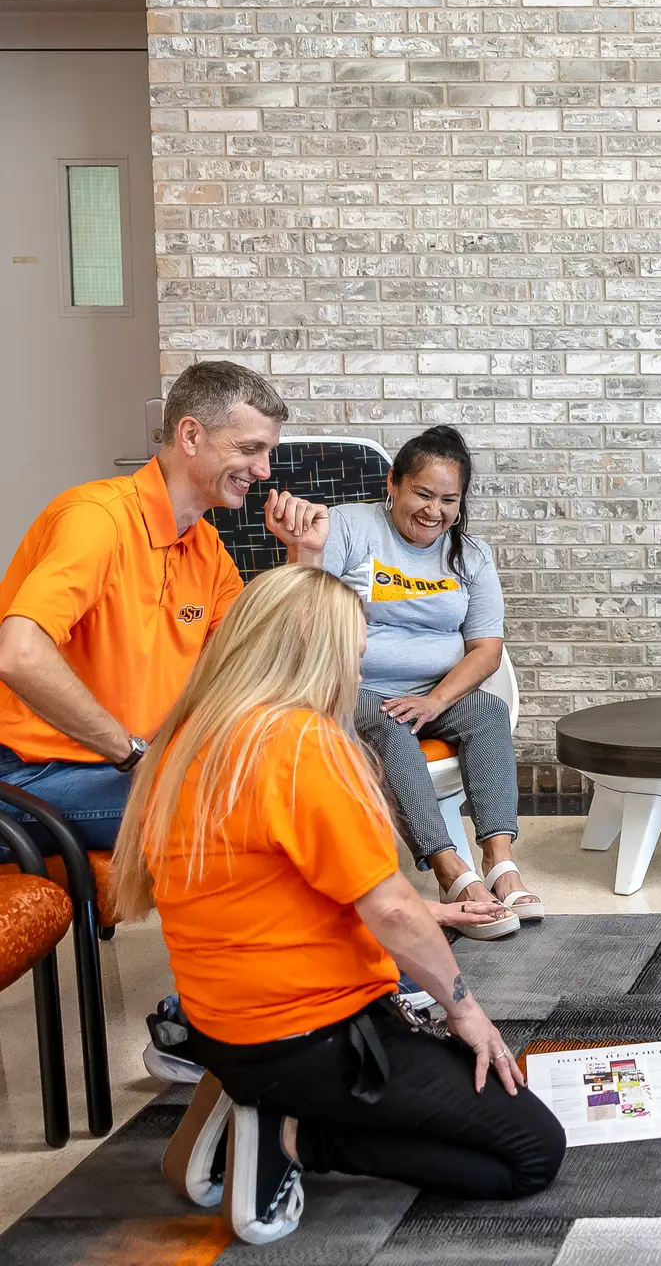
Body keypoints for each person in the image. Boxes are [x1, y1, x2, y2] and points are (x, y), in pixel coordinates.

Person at [110, 564, 565, 1247]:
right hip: (308, 1042)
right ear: (311, 649)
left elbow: (260, 893)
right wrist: (464, 1011)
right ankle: (296, 1138)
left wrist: (431, 916)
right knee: (532, 1150)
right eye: (352, 659)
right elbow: (389, 914)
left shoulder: (187, 739)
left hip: (220, 1032)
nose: (356, 678)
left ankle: (258, 1104)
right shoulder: (302, 744)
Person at [0, 362, 306, 852]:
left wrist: (302, 556)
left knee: (295, 781)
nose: (265, 471)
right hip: (28, 774)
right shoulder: (97, 521)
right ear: (190, 435)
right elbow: (18, 654)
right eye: (250, 449)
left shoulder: (205, 547)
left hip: (112, 766)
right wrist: (133, 756)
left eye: (268, 452)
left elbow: (267, 667)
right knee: (248, 813)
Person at [307, 426, 538, 936]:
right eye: (423, 493)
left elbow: (487, 650)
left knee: (488, 711)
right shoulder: (349, 526)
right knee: (393, 724)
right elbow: (305, 604)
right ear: (393, 484)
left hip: (434, 694)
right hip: (353, 691)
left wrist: (434, 701)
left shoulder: (470, 555)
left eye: (449, 500)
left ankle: (499, 862)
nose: (435, 510)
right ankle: (448, 871)